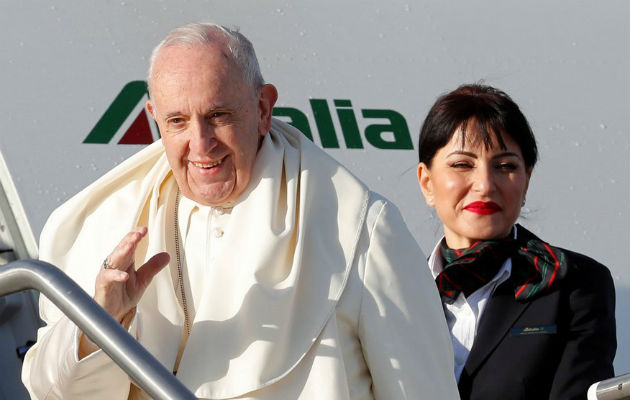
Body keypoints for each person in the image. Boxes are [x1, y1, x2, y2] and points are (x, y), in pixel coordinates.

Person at [21, 23, 459, 399]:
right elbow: (50, 391)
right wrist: (99, 323)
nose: (201, 143)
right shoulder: (101, 224)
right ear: (155, 118)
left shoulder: (359, 226)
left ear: (263, 108)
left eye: (219, 115)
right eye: (177, 121)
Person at [416, 83, 617, 400]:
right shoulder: (389, 288)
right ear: (427, 182)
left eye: (505, 166)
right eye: (462, 164)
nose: (484, 185)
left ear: (526, 180)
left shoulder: (574, 283)